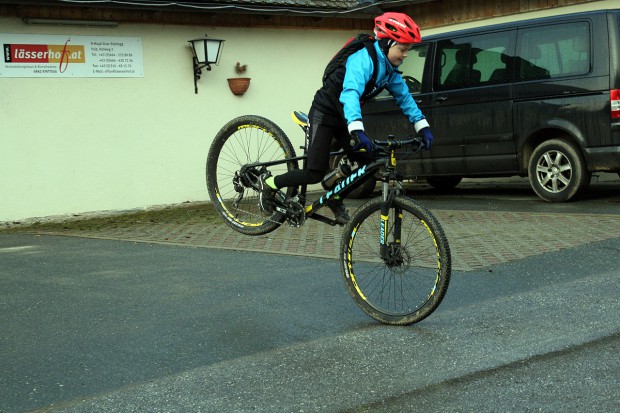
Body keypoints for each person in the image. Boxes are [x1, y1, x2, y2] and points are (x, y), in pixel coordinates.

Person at [259, 12, 434, 224]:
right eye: (403, 49)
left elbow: (404, 97)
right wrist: (357, 130)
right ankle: (269, 184)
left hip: (345, 119)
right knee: (314, 173)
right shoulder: (362, 60)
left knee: (370, 164)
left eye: (408, 50)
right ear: (388, 43)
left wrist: (421, 126)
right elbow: (350, 92)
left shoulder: (389, 69)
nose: (405, 54)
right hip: (325, 114)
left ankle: (335, 197)